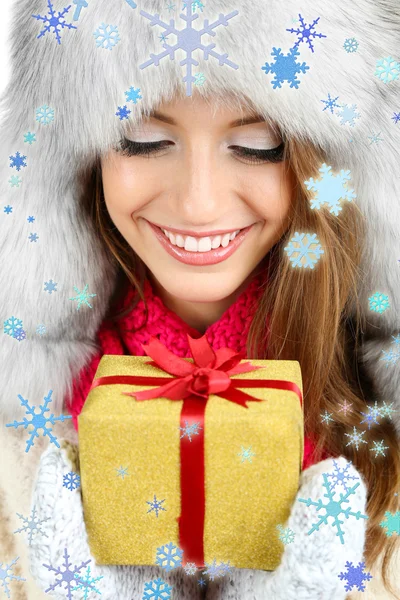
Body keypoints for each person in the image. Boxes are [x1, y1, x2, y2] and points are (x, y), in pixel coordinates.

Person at [0, 0, 399, 599]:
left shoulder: (377, 431)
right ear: (80, 155)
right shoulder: (24, 442)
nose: (198, 204)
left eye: (259, 145)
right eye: (144, 138)